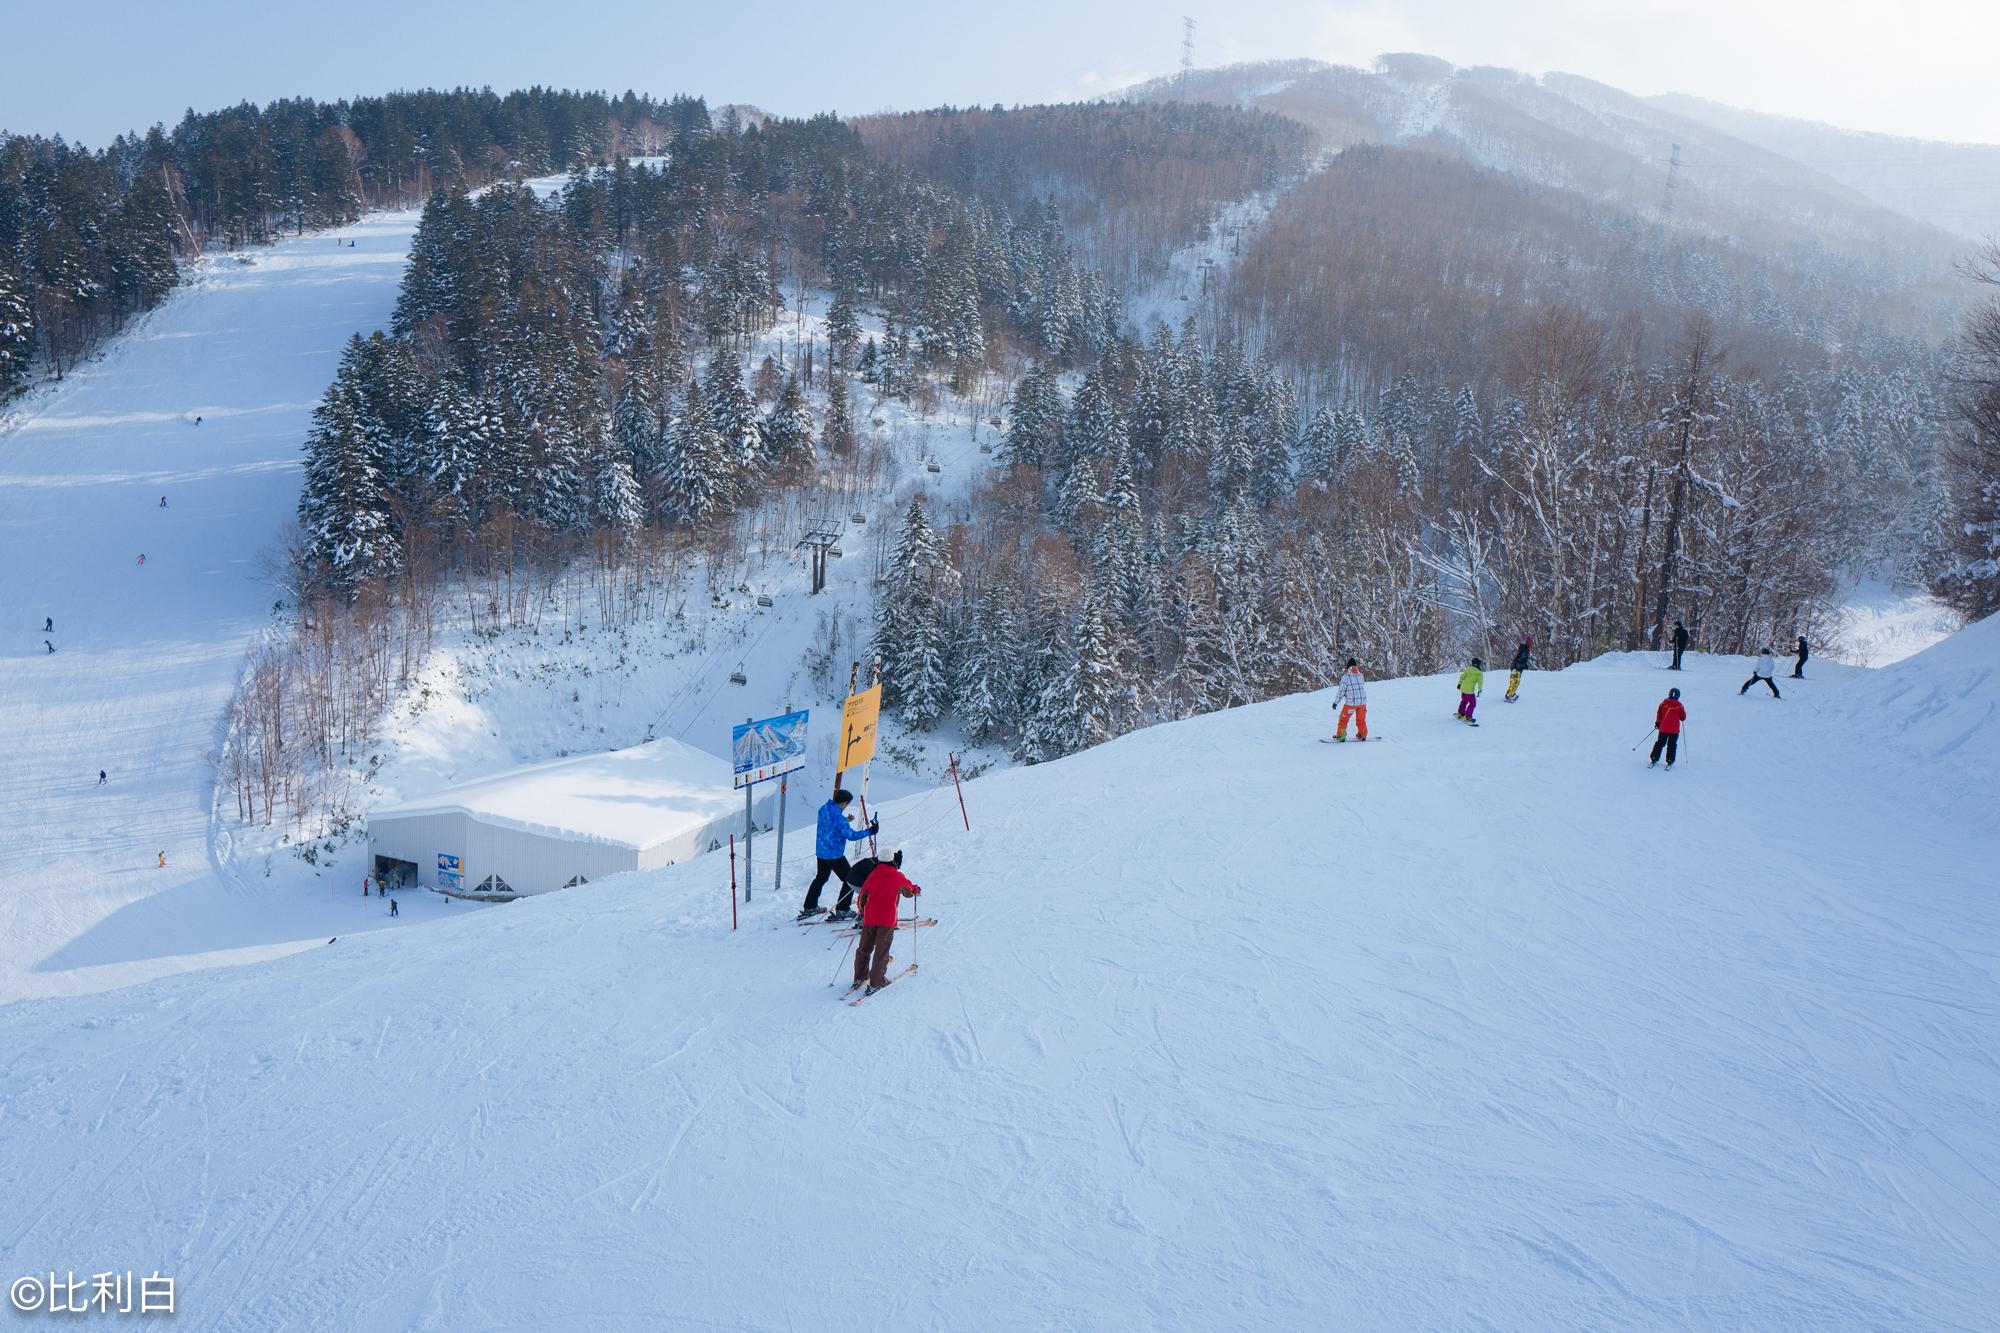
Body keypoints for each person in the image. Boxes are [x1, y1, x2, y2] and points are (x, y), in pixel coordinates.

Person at [798, 788, 877, 920]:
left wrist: (845, 820)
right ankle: (842, 909)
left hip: (822, 851)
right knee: (850, 880)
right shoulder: (839, 819)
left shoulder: (824, 808)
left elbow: (830, 823)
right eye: (846, 804)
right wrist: (870, 831)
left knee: (821, 878)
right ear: (843, 803)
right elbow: (851, 835)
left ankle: (809, 906)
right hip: (834, 854)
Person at [852, 850, 920, 994]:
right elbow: (909, 891)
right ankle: (877, 982)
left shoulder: (872, 875)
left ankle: (859, 977)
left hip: (870, 918)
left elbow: (862, 896)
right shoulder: (897, 876)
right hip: (886, 920)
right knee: (881, 951)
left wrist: (862, 912)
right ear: (892, 860)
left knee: (864, 948)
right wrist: (916, 890)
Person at [1650, 688, 1686, 769]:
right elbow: (1683, 717)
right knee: (1672, 745)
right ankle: (1670, 760)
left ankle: (1654, 758)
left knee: (1660, 743)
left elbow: (1659, 714)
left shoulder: (1663, 703)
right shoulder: (1680, 705)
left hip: (1663, 729)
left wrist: (1657, 723)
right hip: (1674, 730)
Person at [1333, 659, 1368, 741]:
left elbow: (1341, 691)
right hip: (1362, 704)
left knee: (1343, 720)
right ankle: (1362, 735)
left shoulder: (1346, 677)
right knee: (1361, 720)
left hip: (1351, 704)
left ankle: (1341, 736)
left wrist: (1336, 702)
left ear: (1348, 666)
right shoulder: (1361, 675)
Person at [1455, 657, 1484, 724]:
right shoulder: (1479, 673)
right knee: (1472, 703)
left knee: (1464, 700)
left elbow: (1462, 676)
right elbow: (1480, 682)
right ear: (1478, 664)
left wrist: (1459, 684)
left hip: (1463, 688)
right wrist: (1479, 690)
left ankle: (1461, 713)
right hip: (1469, 691)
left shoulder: (1468, 669)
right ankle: (1468, 716)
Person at [1505, 636, 1533, 702]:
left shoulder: (1526, 649)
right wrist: (1520, 664)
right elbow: (1520, 658)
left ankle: (1511, 693)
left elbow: (1523, 659)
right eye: (1530, 642)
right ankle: (1509, 695)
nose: (1531, 644)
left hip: (1519, 668)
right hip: (1516, 668)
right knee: (1514, 682)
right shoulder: (1524, 648)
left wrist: (1525, 665)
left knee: (1516, 682)